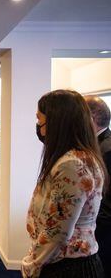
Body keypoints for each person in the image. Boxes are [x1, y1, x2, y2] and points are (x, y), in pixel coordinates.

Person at [22, 90, 105, 278]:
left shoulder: (72, 164)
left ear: (57, 122)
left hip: (68, 266)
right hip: (67, 261)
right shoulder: (79, 156)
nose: (39, 127)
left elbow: (57, 231)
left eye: (39, 120)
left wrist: (32, 264)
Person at [84, 95, 111, 277]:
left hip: (102, 232)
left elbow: (107, 201)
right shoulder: (96, 144)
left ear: (91, 118)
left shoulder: (107, 149)